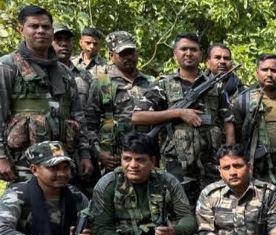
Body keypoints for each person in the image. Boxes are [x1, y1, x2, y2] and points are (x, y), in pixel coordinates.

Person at [89, 132, 204, 235]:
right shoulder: (107, 184)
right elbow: (101, 230)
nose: (132, 165)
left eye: (140, 160)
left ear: (153, 161)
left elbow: (188, 218)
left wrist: (173, 232)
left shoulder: (168, 181)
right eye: (127, 159)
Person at [132, 33, 229, 201]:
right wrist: (178, 113)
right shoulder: (163, 84)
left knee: (215, 208)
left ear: (201, 54)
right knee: (177, 209)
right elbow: (137, 116)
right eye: (184, 49)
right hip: (175, 164)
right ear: (175, 54)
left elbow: (228, 120)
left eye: (193, 50)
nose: (189, 53)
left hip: (211, 163)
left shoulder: (215, 85)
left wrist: (229, 155)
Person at [0, 5, 91, 182]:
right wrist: (1, 157)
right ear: (21, 30)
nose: (41, 31)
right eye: (34, 26)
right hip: (24, 164)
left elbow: (78, 116)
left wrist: (85, 154)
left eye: (46, 27)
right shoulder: (8, 67)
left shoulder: (64, 72)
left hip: (62, 163)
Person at [225, 53, 276, 190]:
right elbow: (234, 140)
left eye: (274, 70)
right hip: (256, 177)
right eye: (264, 70)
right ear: (257, 73)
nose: (269, 74)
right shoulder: (243, 101)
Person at [86, 31, 154, 174]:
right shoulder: (103, 82)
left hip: (145, 156)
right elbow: (89, 124)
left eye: (131, 52)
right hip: (114, 158)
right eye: (123, 54)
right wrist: (99, 153)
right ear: (111, 55)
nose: (128, 57)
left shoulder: (150, 82)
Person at [52, 24, 93, 113]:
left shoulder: (85, 76)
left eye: (67, 39)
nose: (64, 44)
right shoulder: (41, 73)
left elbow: (93, 110)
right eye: (58, 39)